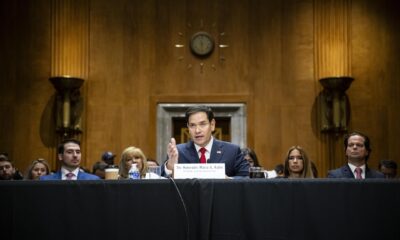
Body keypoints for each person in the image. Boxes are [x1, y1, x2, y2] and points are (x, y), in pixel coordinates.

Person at [162, 105, 249, 178]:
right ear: (188, 128)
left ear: (212, 125)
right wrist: (170, 167)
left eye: (202, 124)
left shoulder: (232, 151)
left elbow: (246, 178)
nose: (197, 130)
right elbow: (161, 181)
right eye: (192, 125)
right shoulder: (178, 152)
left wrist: (228, 181)